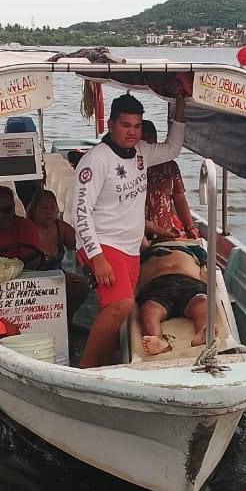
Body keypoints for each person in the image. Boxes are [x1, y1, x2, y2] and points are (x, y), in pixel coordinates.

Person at [74, 91, 187, 368]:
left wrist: (180, 105)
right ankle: (85, 370)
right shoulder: (96, 160)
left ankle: (107, 364)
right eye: (125, 125)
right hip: (102, 243)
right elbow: (80, 212)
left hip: (130, 247)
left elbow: (173, 148)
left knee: (118, 311)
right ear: (111, 125)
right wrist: (97, 256)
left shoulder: (141, 154)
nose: (132, 132)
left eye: (137, 126)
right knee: (122, 304)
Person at [136, 242, 211, 356]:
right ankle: (157, 341)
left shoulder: (191, 247)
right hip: (157, 284)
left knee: (202, 301)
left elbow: (205, 262)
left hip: (187, 280)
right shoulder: (144, 252)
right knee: (149, 309)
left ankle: (202, 332)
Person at [26, 189, 89, 325]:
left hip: (58, 278)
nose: (48, 212)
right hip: (32, 283)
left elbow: (80, 246)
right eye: (43, 208)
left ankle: (67, 322)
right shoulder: (27, 229)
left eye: (52, 208)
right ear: (34, 210)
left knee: (82, 285)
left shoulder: (60, 228)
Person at [142, 120, 200, 242]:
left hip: (166, 231)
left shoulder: (170, 166)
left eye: (151, 137)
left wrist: (189, 227)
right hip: (137, 232)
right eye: (143, 139)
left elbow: (179, 197)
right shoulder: (130, 165)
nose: (148, 142)